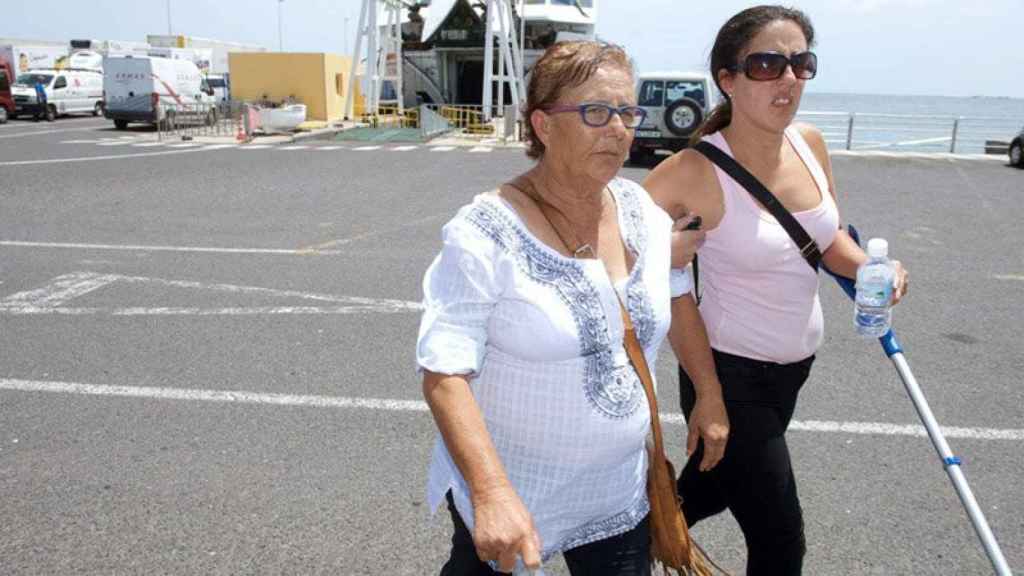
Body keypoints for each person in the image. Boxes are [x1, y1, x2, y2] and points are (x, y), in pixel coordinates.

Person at [417, 41, 721, 575]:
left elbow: (675, 290)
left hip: (617, 494)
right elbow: (444, 371)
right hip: (513, 488)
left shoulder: (641, 212)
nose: (618, 129)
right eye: (595, 112)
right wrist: (491, 494)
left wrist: (710, 393)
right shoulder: (486, 231)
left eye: (627, 112)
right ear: (543, 125)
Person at [644, 6, 909, 575]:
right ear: (728, 78)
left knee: (715, 485)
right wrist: (708, 395)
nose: (788, 78)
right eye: (767, 64)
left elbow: (827, 237)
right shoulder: (691, 172)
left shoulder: (810, 144)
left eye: (800, 63)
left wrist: (867, 268)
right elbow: (642, 269)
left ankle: (626, 542)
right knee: (781, 540)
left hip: (793, 370)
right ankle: (622, 545)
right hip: (730, 376)